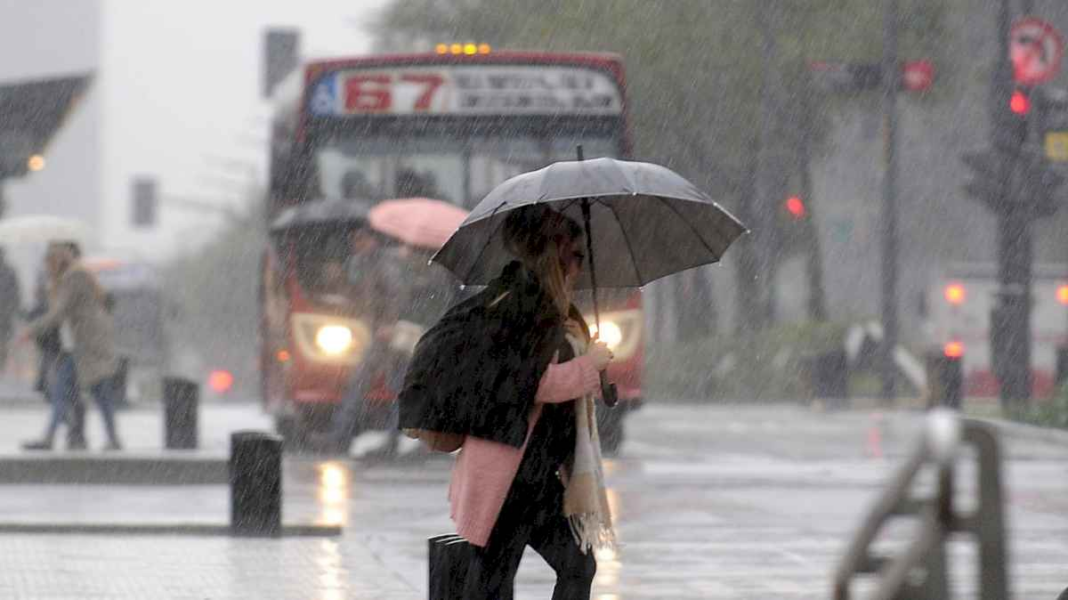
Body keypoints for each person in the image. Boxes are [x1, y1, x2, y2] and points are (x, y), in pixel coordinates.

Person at [400, 205, 616, 599]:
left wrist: (596, 371)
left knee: (574, 565)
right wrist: (588, 364)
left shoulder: (554, 309)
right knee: (496, 581)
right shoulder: (520, 306)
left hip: (537, 473)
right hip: (508, 474)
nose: (580, 265)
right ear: (555, 252)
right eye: (576, 255)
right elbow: (536, 384)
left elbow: (560, 387)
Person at [19, 241, 123, 451]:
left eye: (49, 263)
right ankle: (53, 438)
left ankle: (108, 439)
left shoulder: (74, 277)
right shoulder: (69, 278)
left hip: (88, 347)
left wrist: (31, 330)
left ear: (57, 261)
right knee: (68, 391)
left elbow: (59, 314)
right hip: (79, 347)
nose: (47, 268)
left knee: (97, 393)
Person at [25, 260, 87, 449]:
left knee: (60, 394)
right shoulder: (54, 292)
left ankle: (57, 435)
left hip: (64, 352)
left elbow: (55, 320)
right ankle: (75, 433)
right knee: (65, 394)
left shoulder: (62, 292)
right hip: (57, 351)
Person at [0, 247, 20, 375]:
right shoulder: (10, 272)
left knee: (3, 344)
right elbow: (16, 295)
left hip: (5, 316)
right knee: (3, 344)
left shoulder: (9, 272)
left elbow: (15, 295)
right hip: (6, 316)